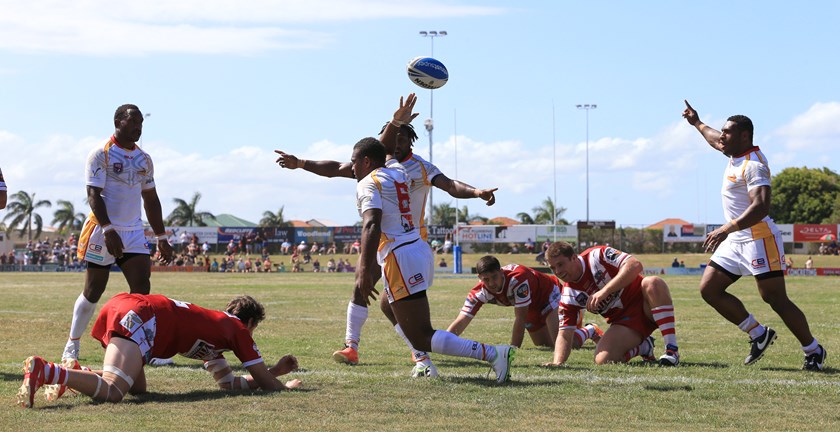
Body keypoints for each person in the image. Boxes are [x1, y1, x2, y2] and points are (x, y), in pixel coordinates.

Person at [274, 93, 498, 376]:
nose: (395, 142)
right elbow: (336, 168)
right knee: (369, 292)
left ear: (409, 142)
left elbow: (450, 185)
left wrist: (476, 192)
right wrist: (301, 163)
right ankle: (354, 346)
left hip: (406, 245)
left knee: (389, 302)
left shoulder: (416, 168)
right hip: (388, 246)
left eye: (401, 138)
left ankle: (426, 352)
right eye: (392, 138)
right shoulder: (382, 166)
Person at [348, 137, 513, 382]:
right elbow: (387, 151)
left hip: (400, 256)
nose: (351, 168)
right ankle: (424, 364)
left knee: (422, 336)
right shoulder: (397, 170)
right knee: (387, 305)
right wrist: (395, 121)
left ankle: (493, 353)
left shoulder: (368, 183)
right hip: (417, 247)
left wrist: (363, 270)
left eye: (353, 162)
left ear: (366, 161)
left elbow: (371, 224)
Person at [683, 101, 826, 371]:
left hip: (759, 238)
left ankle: (813, 349)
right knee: (709, 289)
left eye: (727, 132)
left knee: (774, 299)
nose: (722, 136)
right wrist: (697, 123)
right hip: (736, 238)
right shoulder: (733, 153)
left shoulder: (754, 165)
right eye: (723, 131)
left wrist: (726, 228)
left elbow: (760, 207)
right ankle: (758, 333)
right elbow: (713, 138)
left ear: (744, 136)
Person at [18, 294, 301, 408]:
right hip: (144, 316)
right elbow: (262, 380)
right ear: (250, 323)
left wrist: (275, 371)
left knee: (137, 388)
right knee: (113, 392)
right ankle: (48, 371)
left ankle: (78, 375)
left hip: (130, 306)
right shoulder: (238, 330)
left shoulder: (216, 331)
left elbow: (229, 385)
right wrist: (282, 386)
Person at [61, 104, 174, 363]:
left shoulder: (144, 159)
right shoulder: (101, 153)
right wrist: (108, 229)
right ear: (117, 122)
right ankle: (72, 344)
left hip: (133, 231)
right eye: (133, 122)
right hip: (103, 230)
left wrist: (161, 237)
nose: (138, 127)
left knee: (142, 290)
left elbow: (151, 199)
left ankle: (144, 349)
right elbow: (93, 195)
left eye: (141, 123)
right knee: (93, 290)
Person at [542, 241, 681, 367]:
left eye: (560, 264)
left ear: (573, 257)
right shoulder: (568, 295)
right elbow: (564, 334)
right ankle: (644, 347)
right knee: (603, 360)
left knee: (653, 282)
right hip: (626, 323)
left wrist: (605, 291)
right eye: (553, 268)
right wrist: (557, 362)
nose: (558, 271)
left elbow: (635, 265)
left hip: (647, 304)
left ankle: (671, 350)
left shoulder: (596, 256)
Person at [447, 255, 602, 349]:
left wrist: (512, 350)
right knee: (543, 345)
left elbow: (520, 318)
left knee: (562, 344)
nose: (492, 283)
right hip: (531, 306)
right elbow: (462, 320)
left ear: (501, 272)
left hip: (549, 295)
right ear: (479, 279)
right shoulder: (479, 292)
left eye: (494, 277)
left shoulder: (518, 279)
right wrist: (443, 341)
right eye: (486, 279)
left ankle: (590, 330)